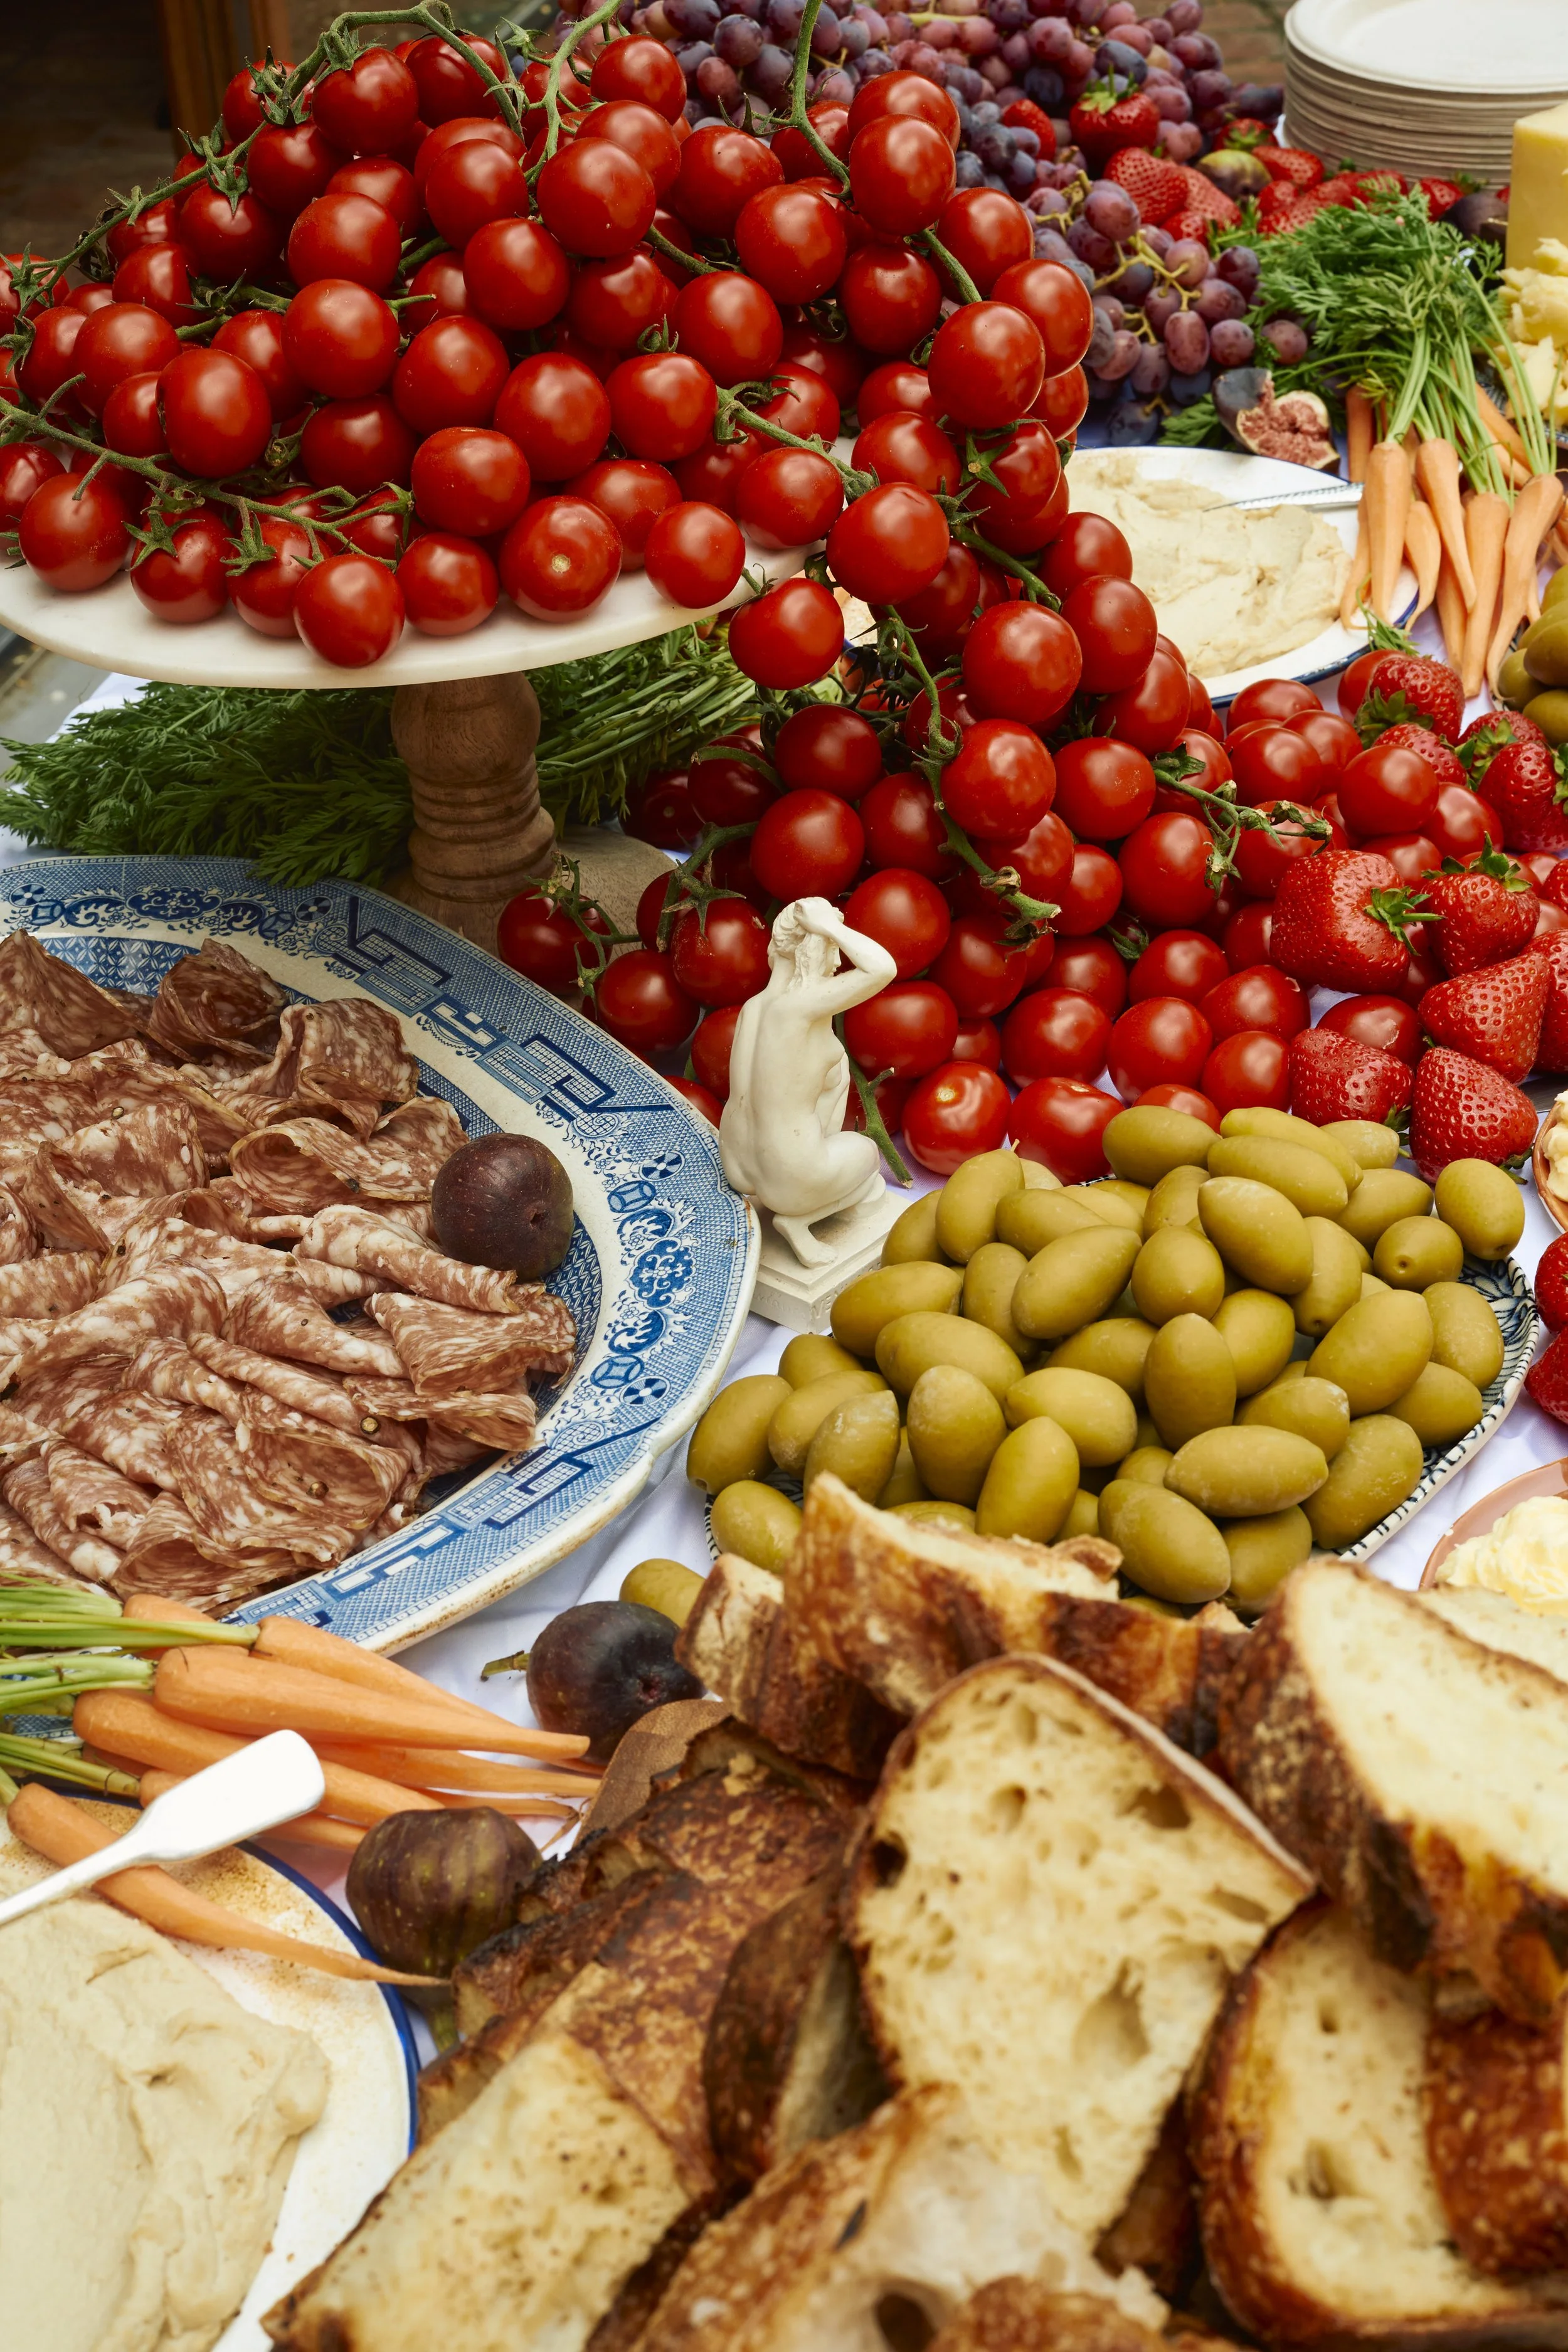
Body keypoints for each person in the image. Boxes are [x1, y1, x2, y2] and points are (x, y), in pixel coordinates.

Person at [719, 895, 898, 1266]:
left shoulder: (753, 1008)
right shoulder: (799, 1007)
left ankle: (797, 1192)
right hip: (790, 1174)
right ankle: (799, 1221)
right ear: (813, 949)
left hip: (737, 1164)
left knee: (831, 1082)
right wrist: (829, 925)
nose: (837, 962)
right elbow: (882, 968)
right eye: (833, 949)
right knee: (868, 1156)